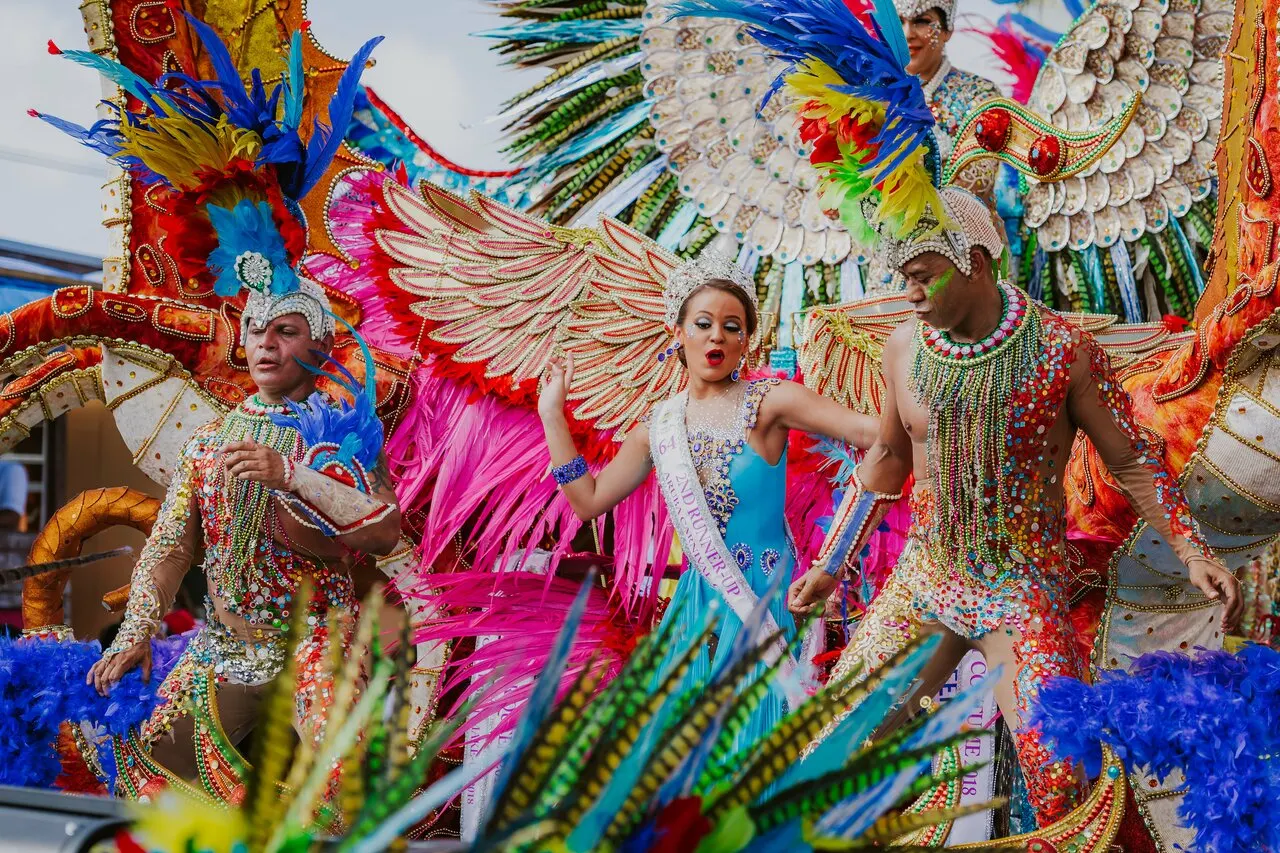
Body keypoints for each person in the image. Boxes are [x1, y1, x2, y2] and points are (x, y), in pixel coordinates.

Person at [786, 187, 1241, 826]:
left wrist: (1192, 551)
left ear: (973, 260)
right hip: (929, 578)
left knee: (1062, 784)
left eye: (922, 277)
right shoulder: (902, 349)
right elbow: (887, 461)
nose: (910, 294)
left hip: (1021, 590)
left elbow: (1132, 460)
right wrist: (833, 562)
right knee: (829, 754)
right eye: (904, 279)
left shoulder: (1062, 350)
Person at [538, 253, 878, 743]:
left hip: (764, 599)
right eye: (703, 323)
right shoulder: (658, 428)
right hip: (697, 608)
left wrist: (921, 406)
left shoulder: (771, 401)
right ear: (678, 333)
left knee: (748, 754)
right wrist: (553, 416)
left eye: (732, 327)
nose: (717, 336)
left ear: (746, 342)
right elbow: (587, 501)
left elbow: (867, 432)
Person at [86, 281, 403, 791]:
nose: (266, 344)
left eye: (286, 331)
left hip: (319, 646)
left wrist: (293, 475)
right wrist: (137, 630)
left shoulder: (344, 434)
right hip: (226, 648)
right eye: (256, 330)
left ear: (321, 344)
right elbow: (170, 546)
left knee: (345, 801)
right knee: (150, 782)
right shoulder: (209, 441)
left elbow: (386, 532)